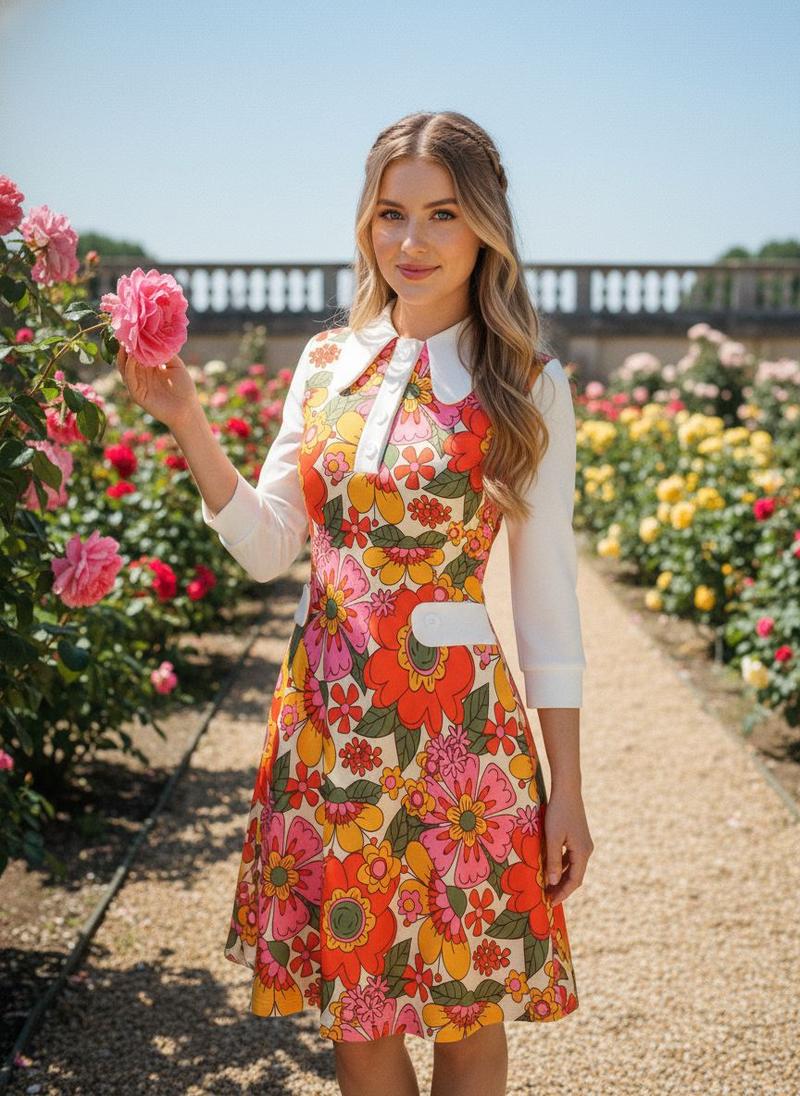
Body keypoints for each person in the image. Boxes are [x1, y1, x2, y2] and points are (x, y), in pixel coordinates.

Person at [116, 109, 594, 1096]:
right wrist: (186, 419)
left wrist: (568, 791)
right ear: (364, 224)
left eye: (440, 215)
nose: (410, 242)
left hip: (459, 741)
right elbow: (265, 545)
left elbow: (546, 607)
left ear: (483, 230)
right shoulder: (324, 365)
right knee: (357, 1011)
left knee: (464, 1004)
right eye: (389, 214)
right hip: (328, 733)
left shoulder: (525, 385)